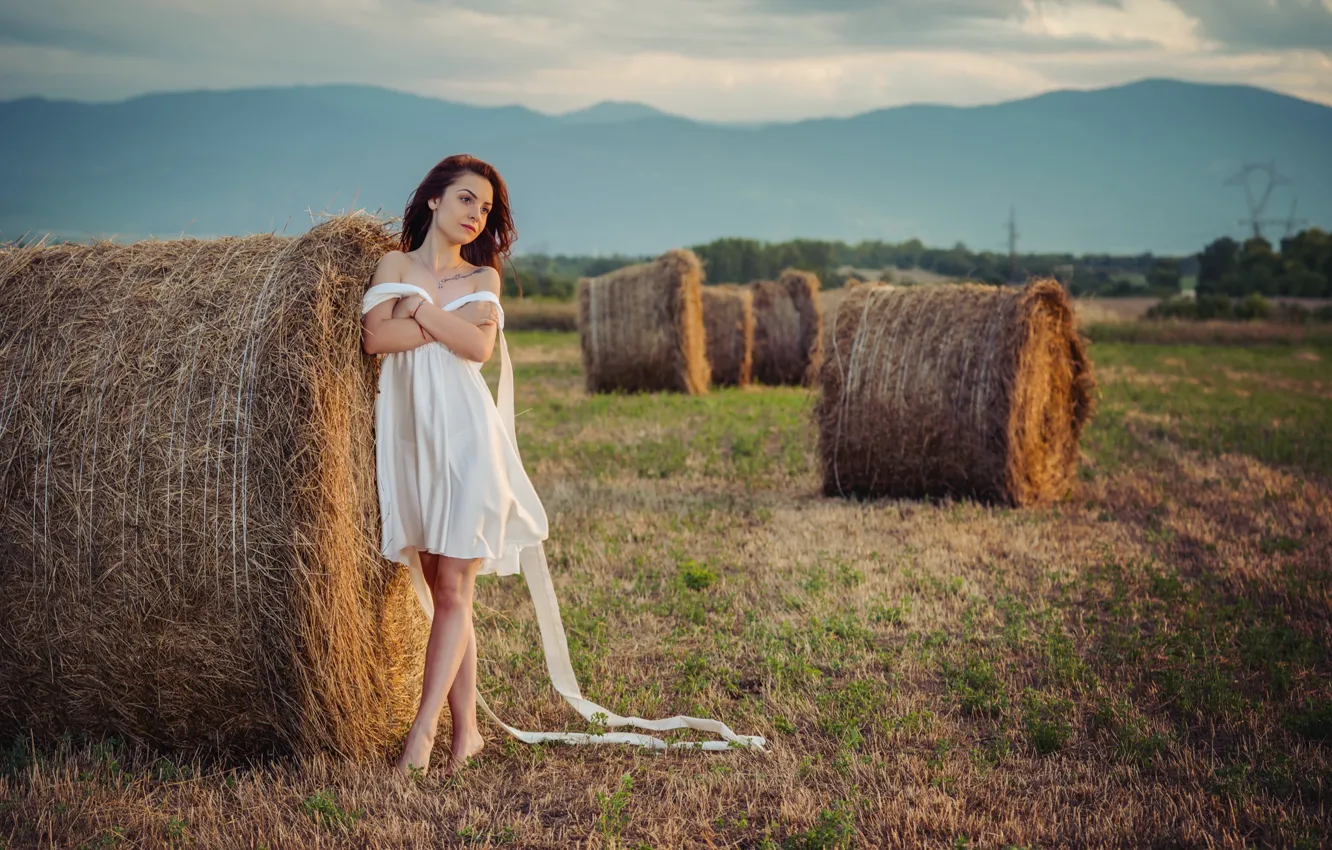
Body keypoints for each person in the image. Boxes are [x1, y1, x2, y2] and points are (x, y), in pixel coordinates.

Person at [361, 154, 766, 779]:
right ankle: (467, 733)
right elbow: (374, 340)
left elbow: (477, 347)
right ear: (435, 200)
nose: (476, 215)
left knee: (452, 591)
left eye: (486, 209)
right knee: (445, 591)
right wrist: (436, 320)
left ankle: (423, 735)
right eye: (467, 199)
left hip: (468, 441)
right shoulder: (394, 265)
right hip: (413, 441)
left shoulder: (483, 278)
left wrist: (416, 313)